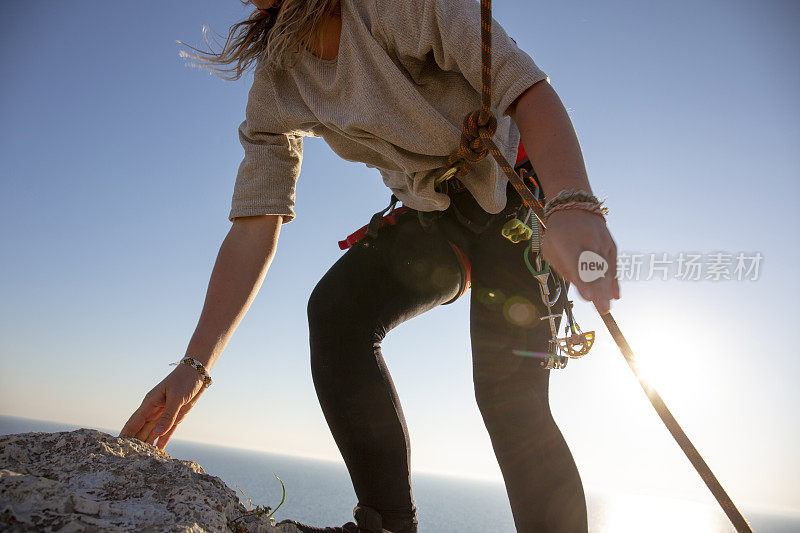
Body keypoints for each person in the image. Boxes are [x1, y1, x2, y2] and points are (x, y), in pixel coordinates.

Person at [120, 0, 620, 531]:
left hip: (517, 196)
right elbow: (254, 223)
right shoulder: (279, 79)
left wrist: (571, 204)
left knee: (509, 396)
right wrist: (194, 368)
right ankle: (386, 525)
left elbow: (528, 90)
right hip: (436, 210)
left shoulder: (390, 7)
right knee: (338, 314)